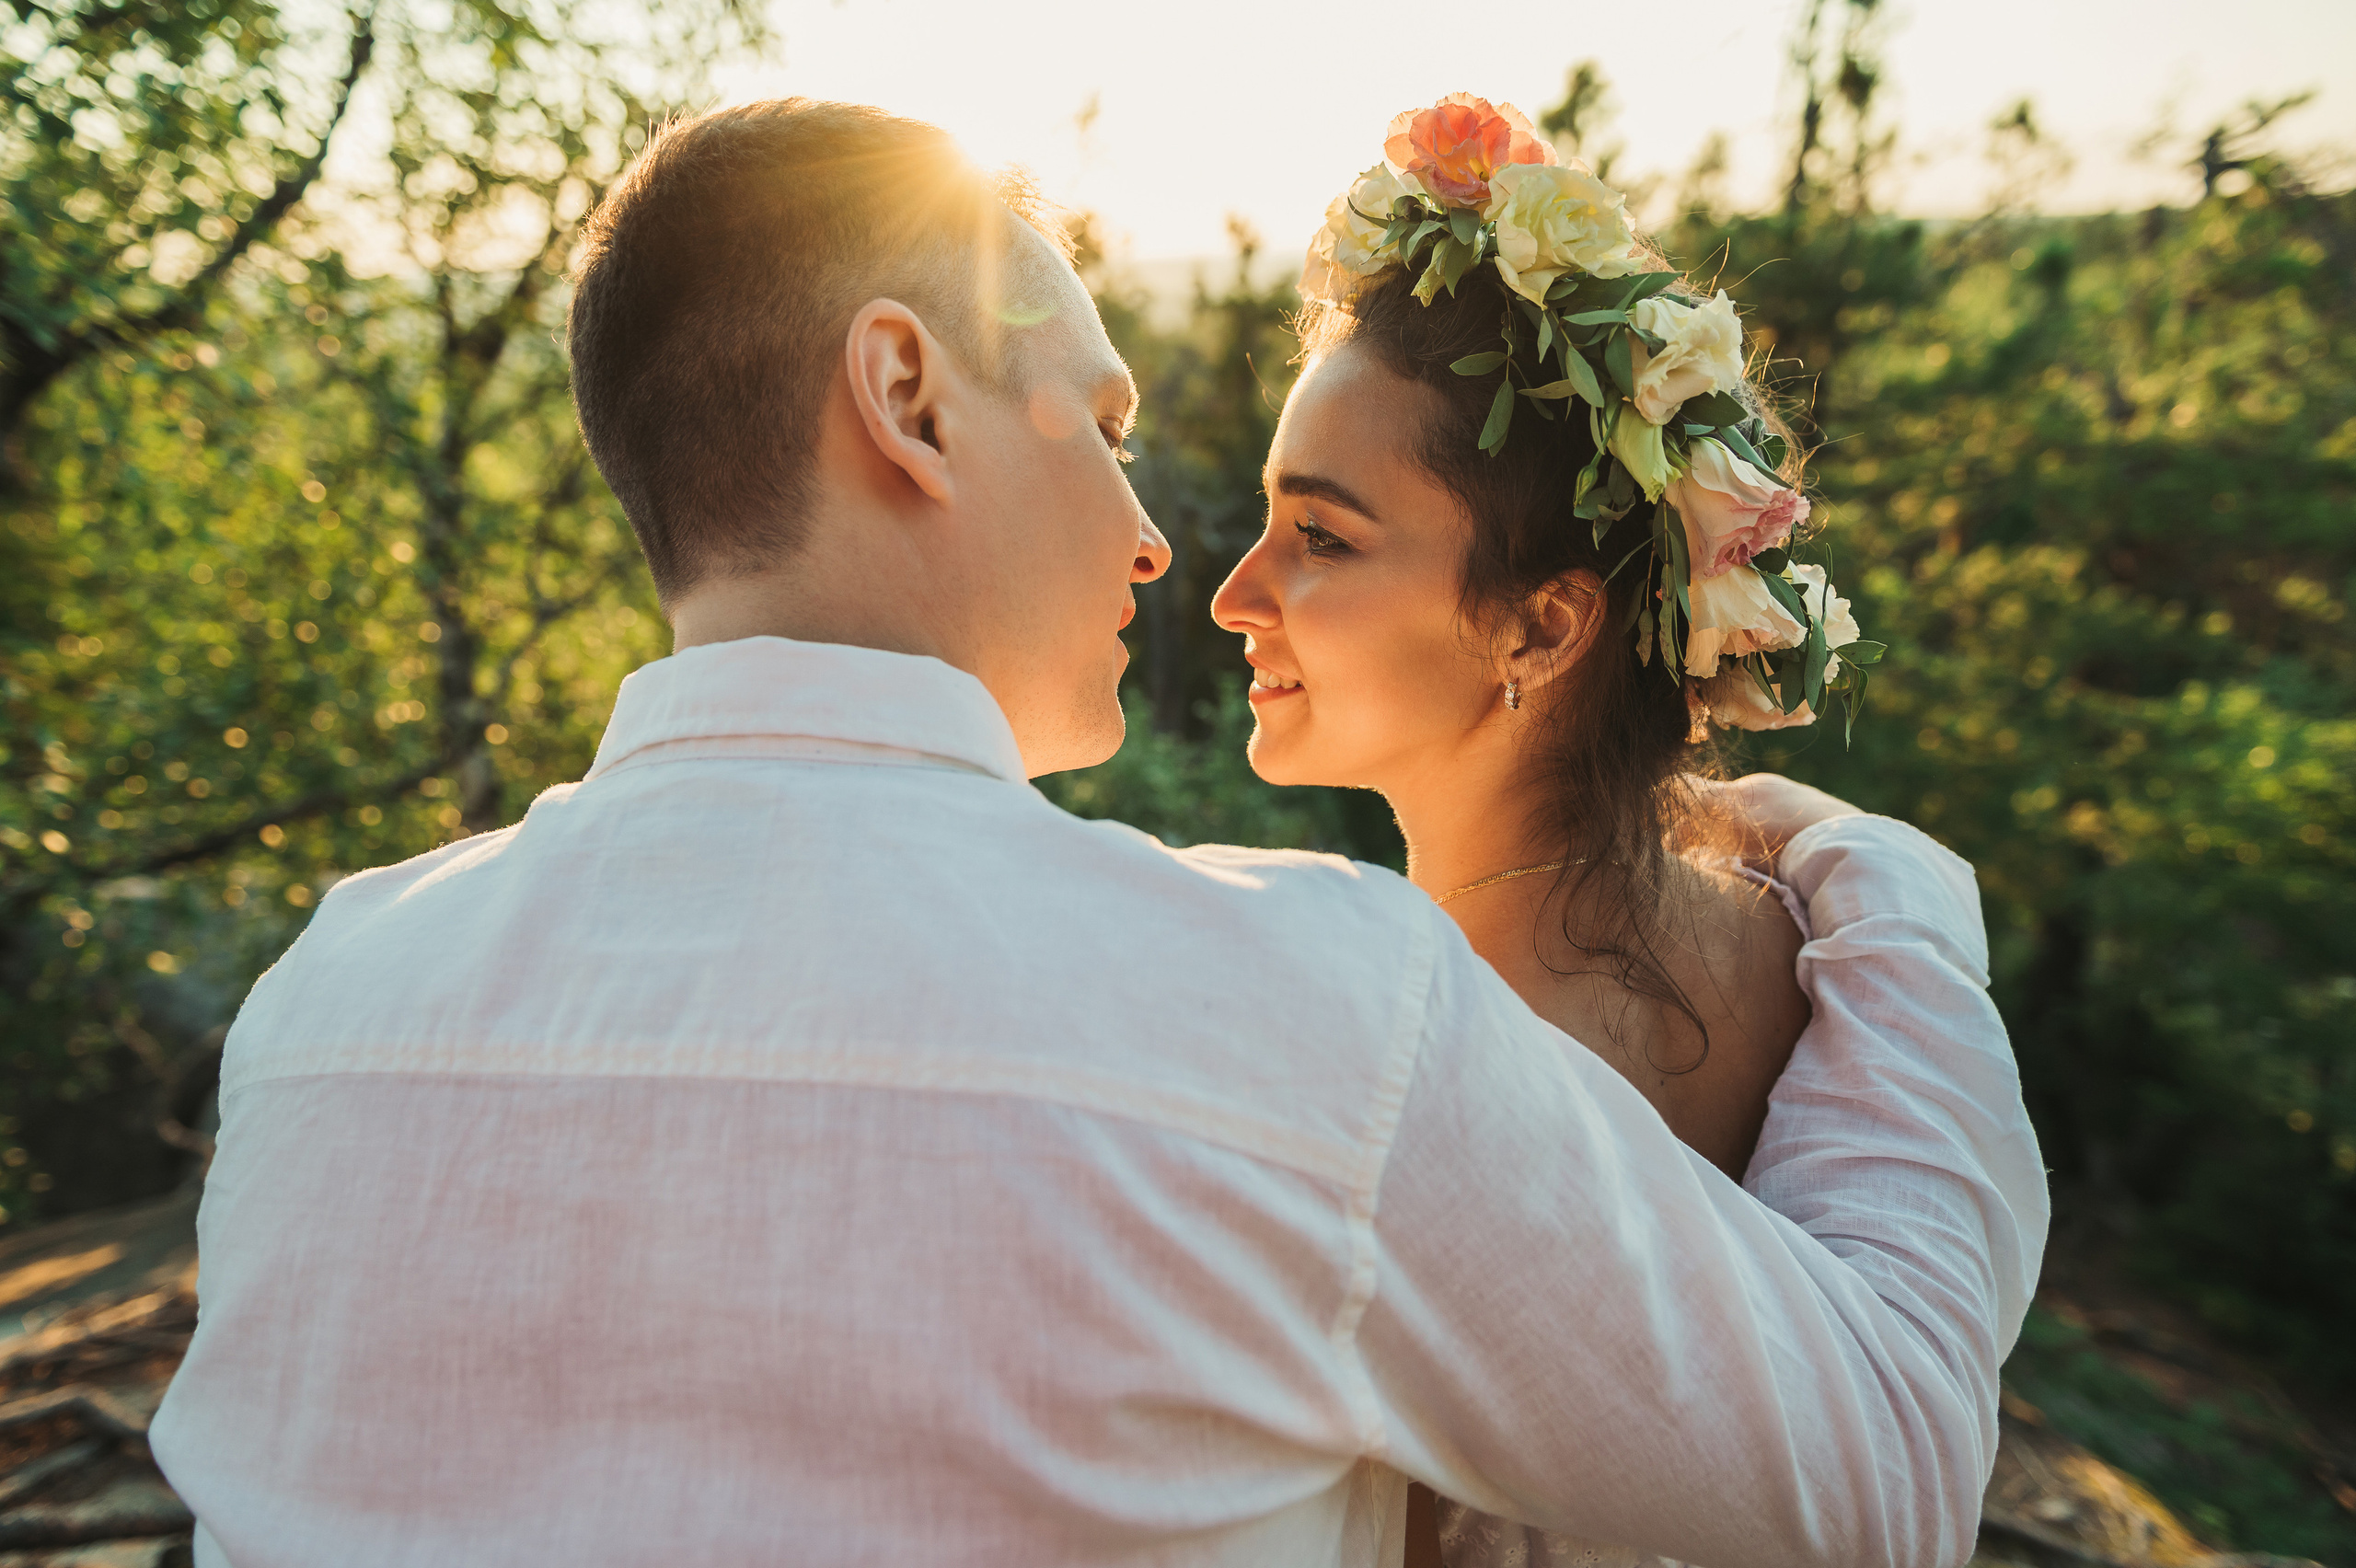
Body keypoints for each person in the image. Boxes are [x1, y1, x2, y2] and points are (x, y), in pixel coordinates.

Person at [149, 98, 2045, 1567]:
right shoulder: (1301, 1021)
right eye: (1098, 418)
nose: (1157, 539)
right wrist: (1892, 895)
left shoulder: (324, 1012)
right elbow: (1875, 1473)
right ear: (904, 396)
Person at [1221, 94, 2017, 1566]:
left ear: (1543, 624)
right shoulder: (1817, 948)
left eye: (1319, 537)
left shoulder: (1407, 1054)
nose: (1236, 592)